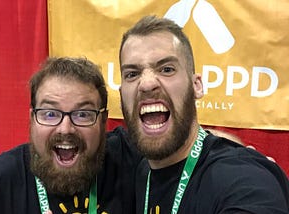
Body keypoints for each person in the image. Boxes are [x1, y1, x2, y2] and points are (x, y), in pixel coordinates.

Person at [118, 15, 289, 214]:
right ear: (122, 94)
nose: (147, 84)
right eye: (132, 74)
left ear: (196, 86)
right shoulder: (136, 165)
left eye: (166, 69)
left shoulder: (245, 178)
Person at [0, 57, 141, 214]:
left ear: (103, 120)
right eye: (50, 114)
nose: (65, 129)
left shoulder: (131, 158)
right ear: (32, 119)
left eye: (82, 114)